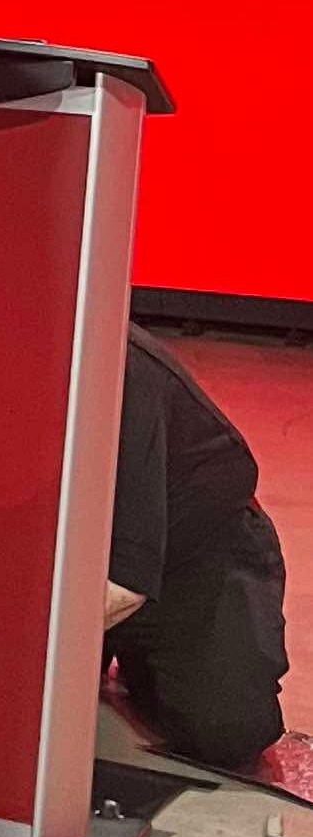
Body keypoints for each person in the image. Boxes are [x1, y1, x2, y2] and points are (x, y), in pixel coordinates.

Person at [106, 324, 292, 768]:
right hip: (85, 558)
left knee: (228, 733)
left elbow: (126, 584)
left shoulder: (124, 373)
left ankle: (141, 659)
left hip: (198, 557)